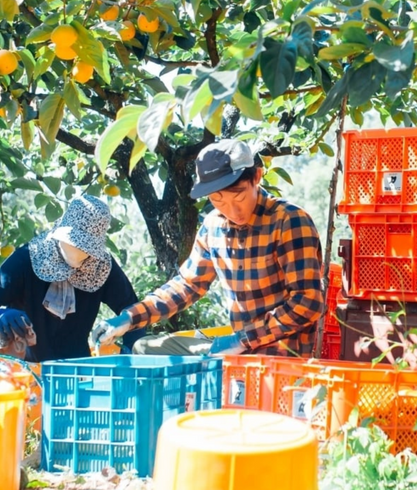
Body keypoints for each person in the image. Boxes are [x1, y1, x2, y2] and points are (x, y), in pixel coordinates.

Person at [90, 139, 324, 357]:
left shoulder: (289, 220)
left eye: (239, 198)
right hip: (235, 350)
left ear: (257, 177)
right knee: (143, 348)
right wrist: (129, 318)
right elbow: (188, 285)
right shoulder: (214, 225)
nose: (232, 211)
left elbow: (308, 302)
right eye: (218, 200)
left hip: (279, 355)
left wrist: (243, 340)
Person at [0, 195, 143, 362]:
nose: (80, 250)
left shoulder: (101, 267)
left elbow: (135, 313)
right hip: (22, 369)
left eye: (86, 247)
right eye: (74, 242)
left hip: (76, 371)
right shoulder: (26, 259)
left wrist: (130, 357)